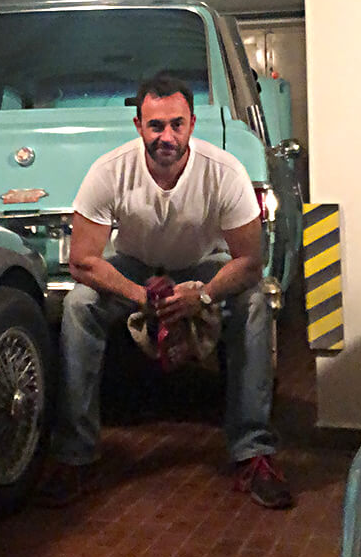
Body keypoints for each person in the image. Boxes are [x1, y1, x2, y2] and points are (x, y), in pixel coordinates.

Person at [35, 73, 292, 509]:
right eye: (155, 126)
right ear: (139, 126)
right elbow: (82, 260)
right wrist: (140, 296)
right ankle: (75, 455)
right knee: (80, 306)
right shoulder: (109, 171)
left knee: (253, 303)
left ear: (192, 124)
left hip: (202, 264)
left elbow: (249, 261)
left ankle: (254, 453)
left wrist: (205, 295)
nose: (166, 136)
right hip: (135, 266)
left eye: (176, 124)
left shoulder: (225, 173)